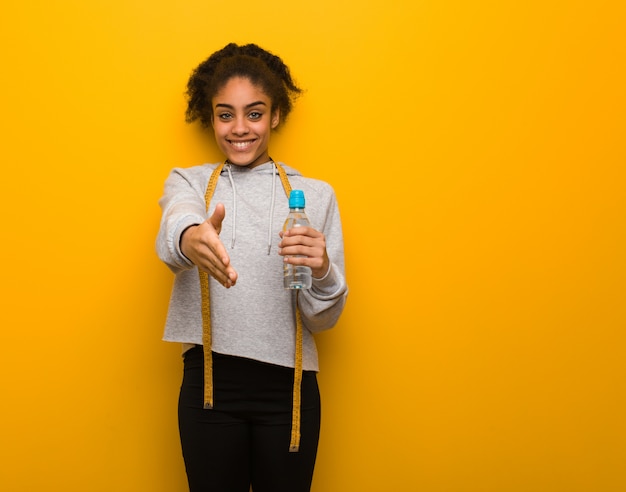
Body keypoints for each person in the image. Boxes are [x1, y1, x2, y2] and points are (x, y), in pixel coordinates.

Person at [156, 43, 348, 492]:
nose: (240, 129)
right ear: (211, 118)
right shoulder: (190, 182)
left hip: (292, 391)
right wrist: (190, 236)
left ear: (276, 115)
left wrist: (322, 272)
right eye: (226, 115)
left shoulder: (315, 196)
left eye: (254, 114)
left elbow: (325, 318)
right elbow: (175, 223)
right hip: (209, 386)